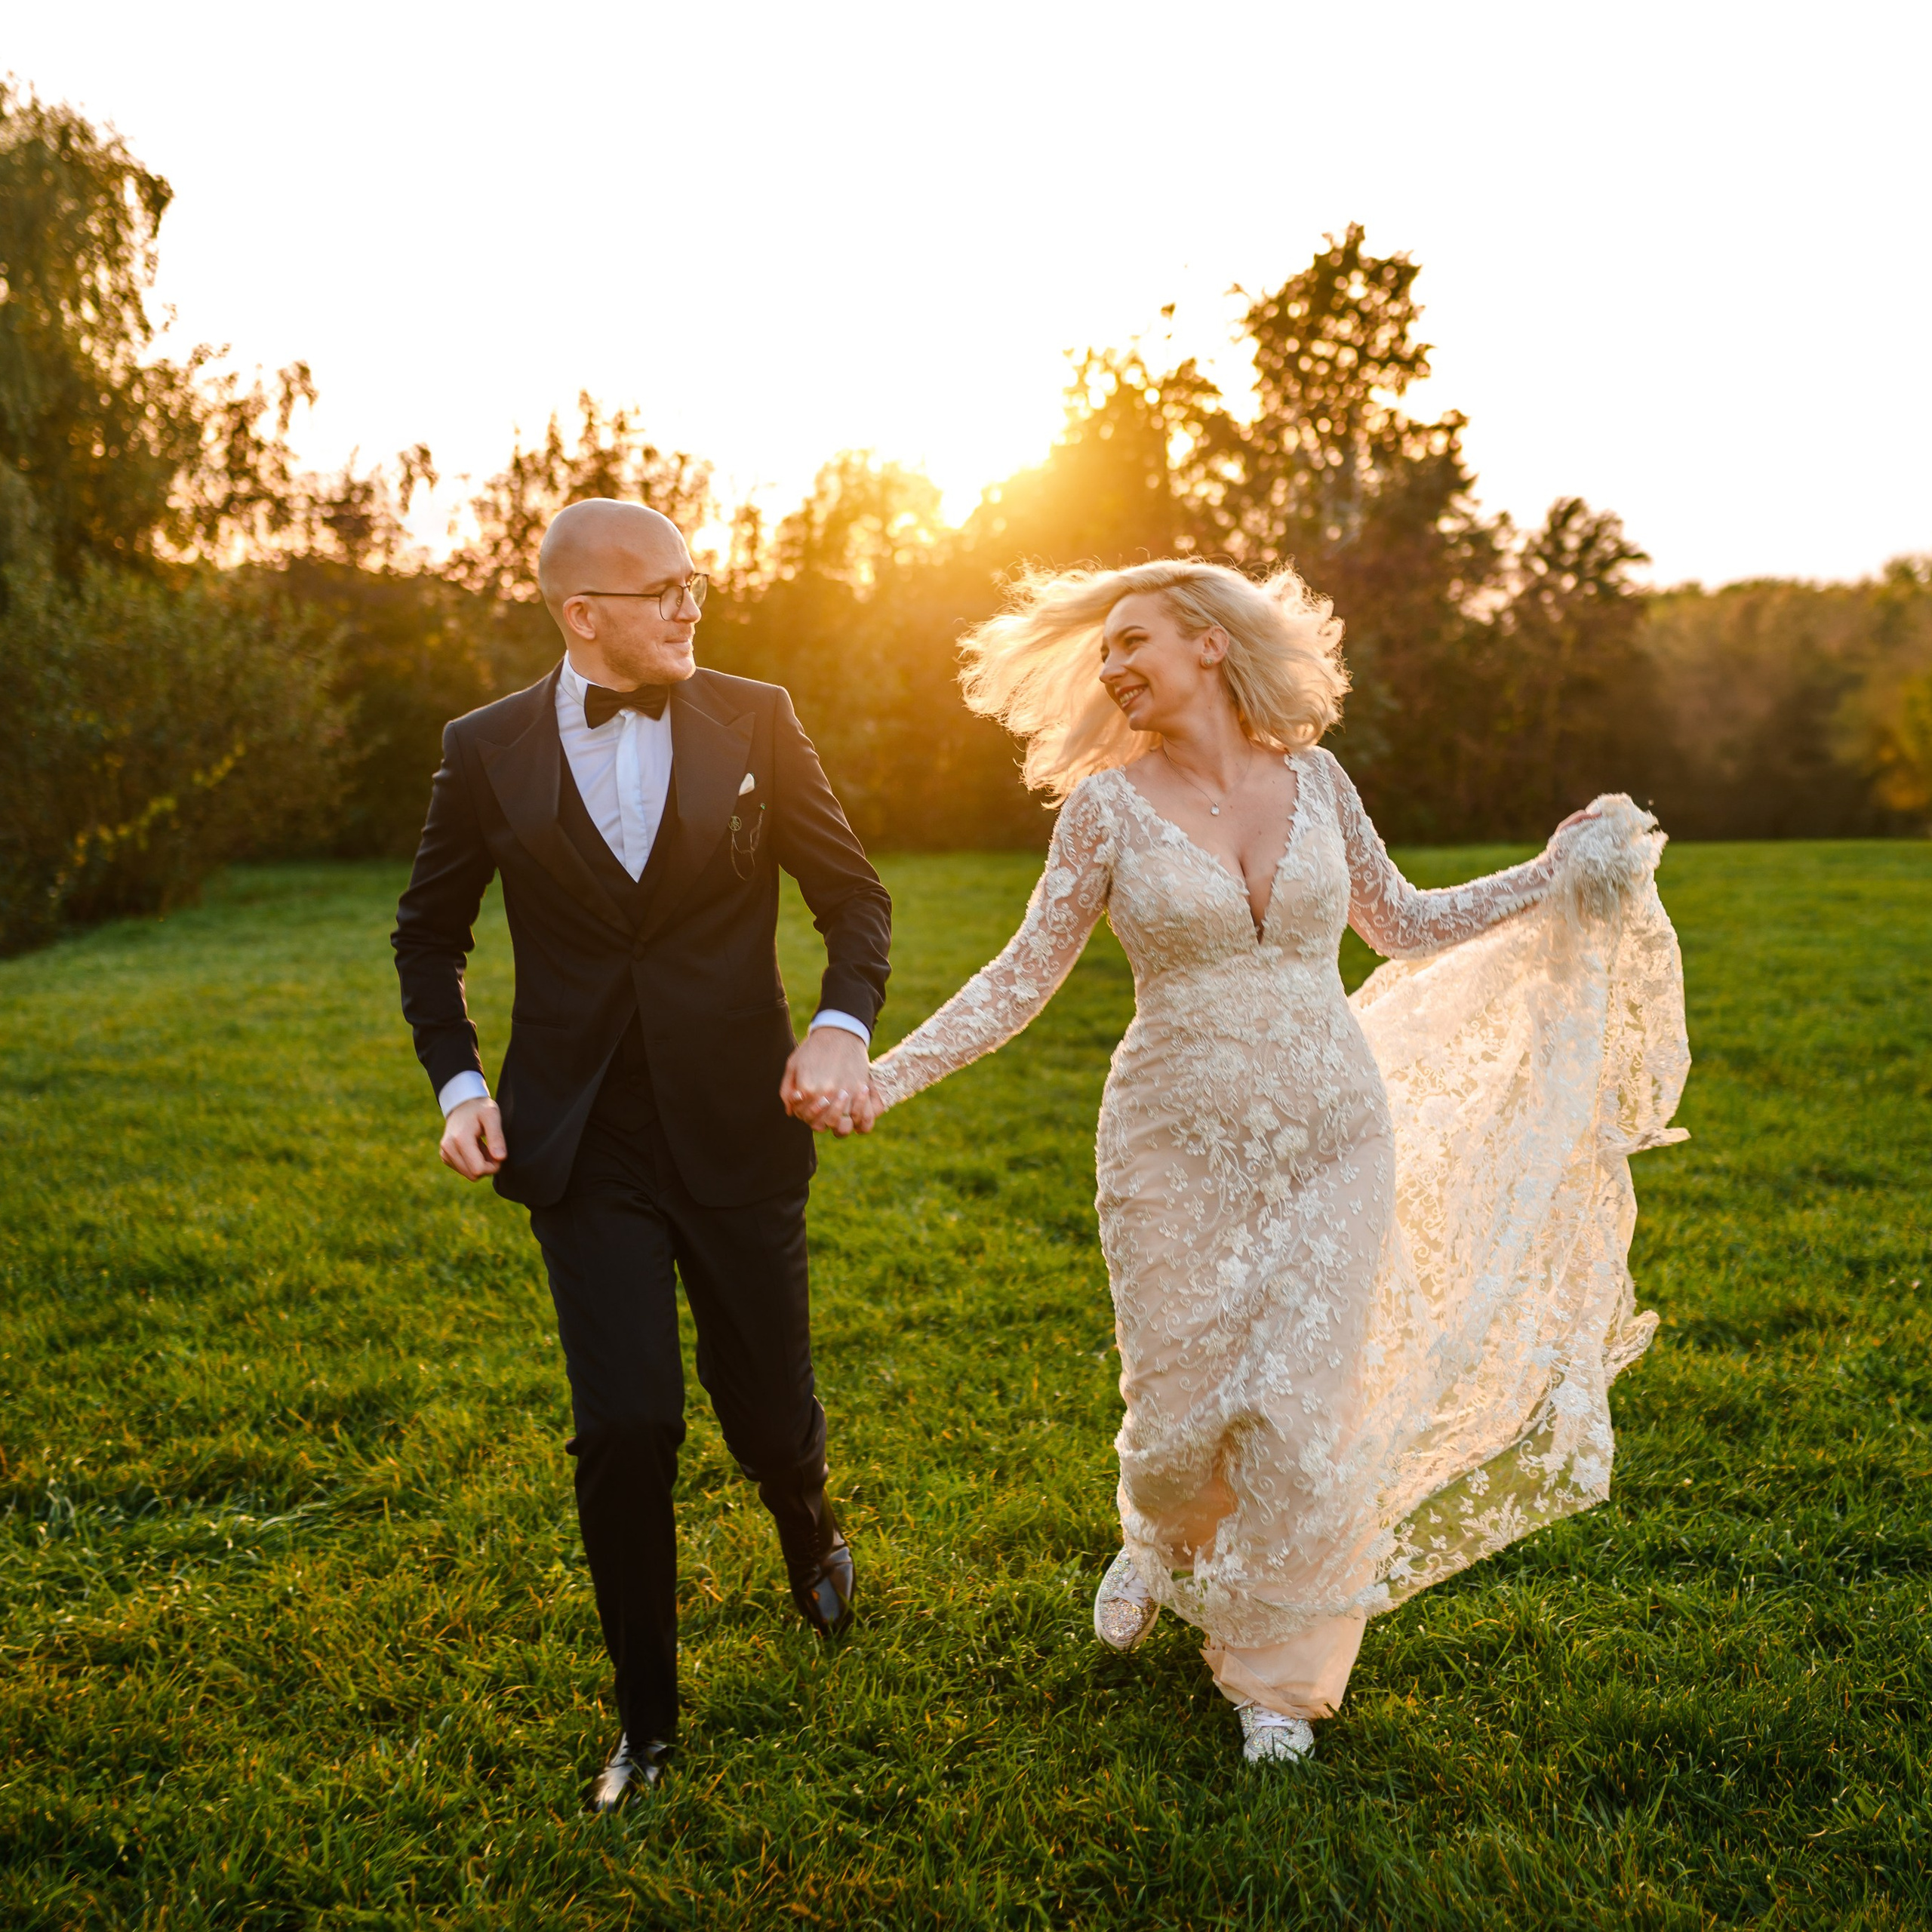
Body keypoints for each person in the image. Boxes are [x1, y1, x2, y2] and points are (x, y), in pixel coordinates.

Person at [861, 558, 1687, 1764]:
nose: (1112, 668)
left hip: (1334, 1130)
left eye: (1132, 641)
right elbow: (1020, 977)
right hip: (1171, 1142)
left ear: (1208, 642)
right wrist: (882, 1078)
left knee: (1303, 1412)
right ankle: (1159, 1542)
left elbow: (1401, 923)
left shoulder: (1318, 781)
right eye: (1103, 652)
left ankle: (1275, 1683)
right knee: (1177, 1421)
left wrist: (1548, 874)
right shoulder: (1104, 811)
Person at [392, 500, 890, 1810]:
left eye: (695, 584)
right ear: (582, 615)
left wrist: (840, 1028)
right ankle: (647, 1728)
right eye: (665, 590)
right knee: (626, 1424)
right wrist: (459, 1086)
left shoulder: (757, 719)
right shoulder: (484, 748)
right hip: (580, 1136)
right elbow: (427, 935)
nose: (690, 608)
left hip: (737, 1119)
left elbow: (853, 897)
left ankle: (805, 1515)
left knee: (766, 1412)